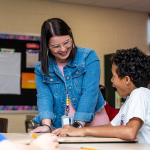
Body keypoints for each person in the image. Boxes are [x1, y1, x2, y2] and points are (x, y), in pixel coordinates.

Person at [54, 47, 150, 144]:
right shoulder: (131, 99)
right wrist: (77, 130)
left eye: (114, 76)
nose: (111, 80)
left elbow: (130, 132)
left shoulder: (140, 93)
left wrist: (82, 131)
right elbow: (112, 126)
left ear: (127, 80)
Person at [31, 18, 109, 133]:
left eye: (66, 42)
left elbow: (90, 92)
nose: (63, 49)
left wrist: (77, 126)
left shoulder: (88, 57)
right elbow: (44, 97)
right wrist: (47, 126)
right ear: (47, 46)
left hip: (94, 125)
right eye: (55, 46)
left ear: (71, 35)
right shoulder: (41, 68)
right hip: (62, 127)